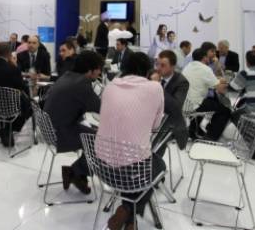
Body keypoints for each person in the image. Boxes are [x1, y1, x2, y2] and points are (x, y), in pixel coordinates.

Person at [97, 52, 164, 230]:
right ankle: (127, 209)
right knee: (158, 166)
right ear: (148, 70)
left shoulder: (110, 86)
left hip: (101, 166)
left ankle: (130, 220)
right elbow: (156, 125)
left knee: (140, 166)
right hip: (131, 169)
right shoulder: (155, 88)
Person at [43, 51, 103, 195]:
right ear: (90, 70)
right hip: (60, 133)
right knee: (101, 142)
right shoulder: (82, 84)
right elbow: (101, 108)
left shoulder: (68, 76)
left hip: (50, 128)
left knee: (94, 133)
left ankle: (78, 174)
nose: (100, 72)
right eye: (99, 69)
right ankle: (74, 172)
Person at [0, 44, 32, 146]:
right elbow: (22, 87)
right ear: (9, 54)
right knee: (30, 106)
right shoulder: (13, 69)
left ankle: (3, 126)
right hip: (10, 106)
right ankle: (9, 128)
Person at [153, 50, 189, 156]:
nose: (158, 68)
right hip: (152, 116)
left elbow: (176, 107)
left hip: (170, 120)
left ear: (173, 67)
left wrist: (158, 86)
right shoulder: (153, 74)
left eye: (163, 65)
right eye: (157, 64)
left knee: (153, 143)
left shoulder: (181, 82)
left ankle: (154, 162)